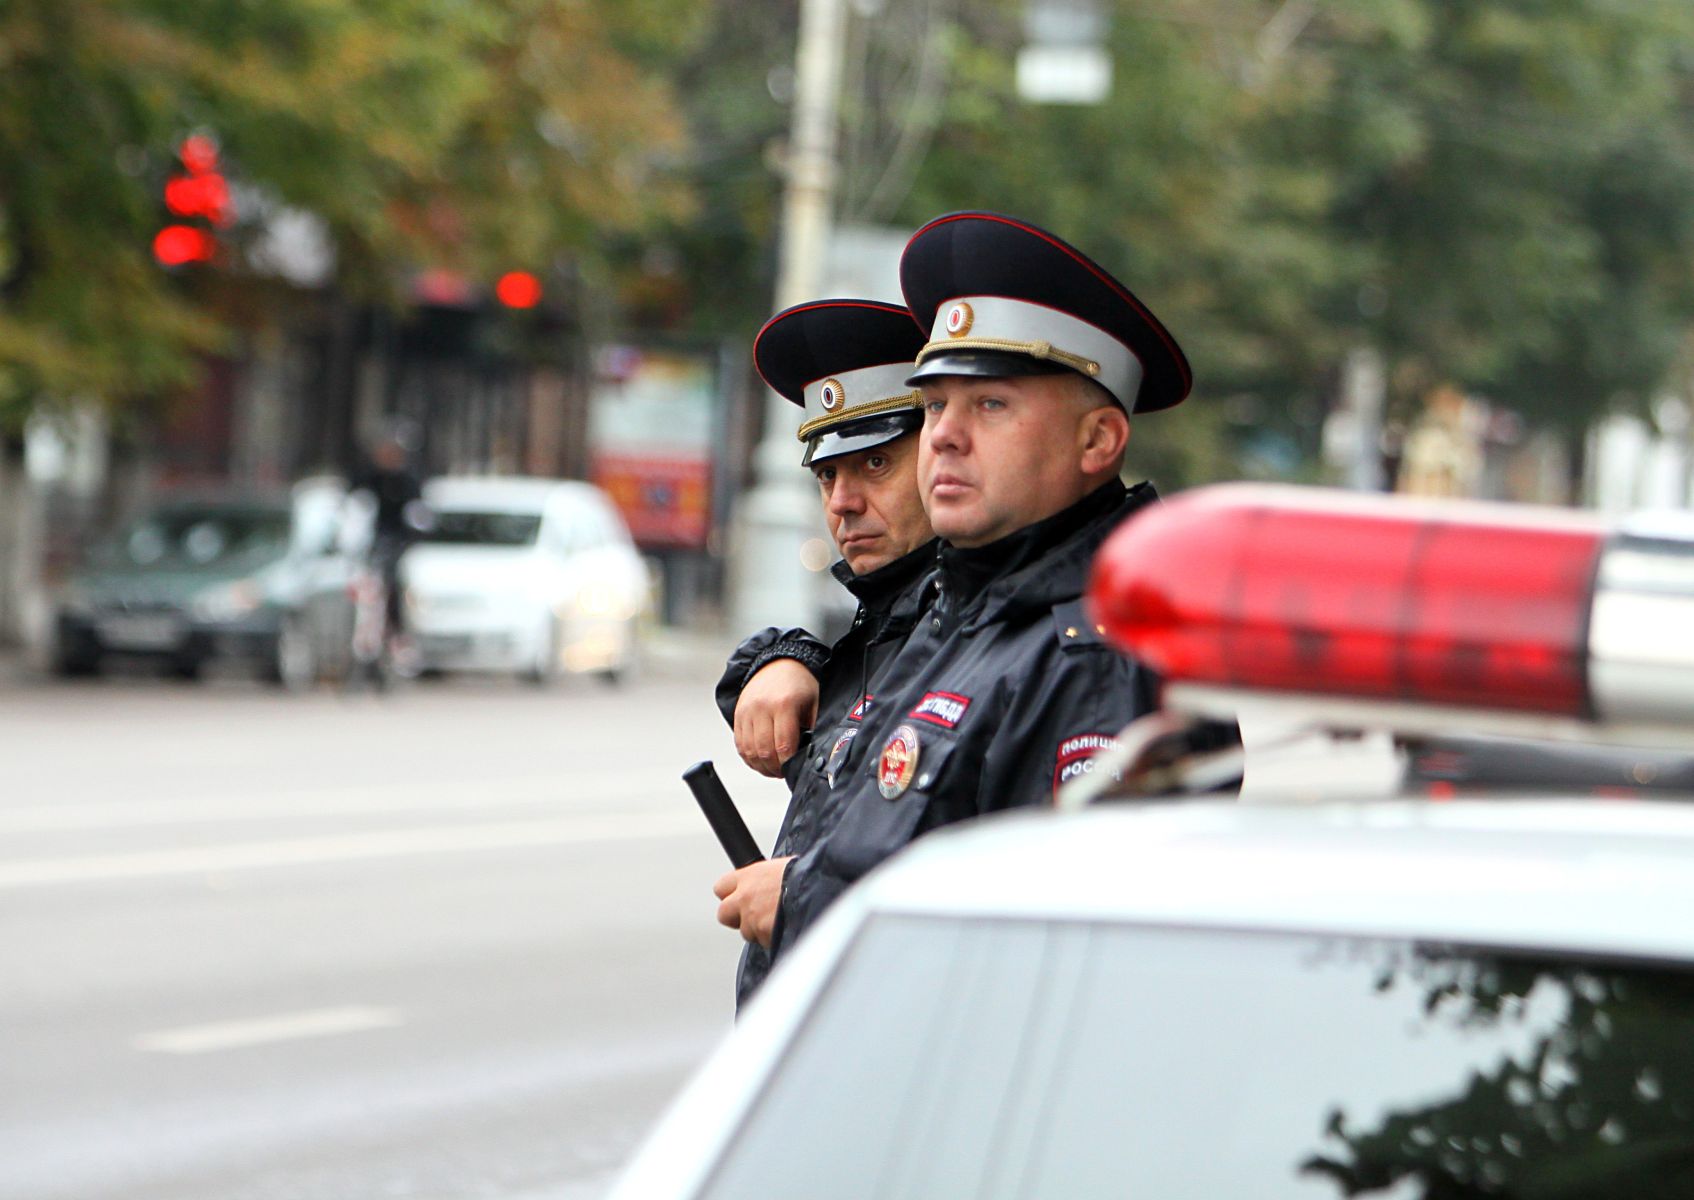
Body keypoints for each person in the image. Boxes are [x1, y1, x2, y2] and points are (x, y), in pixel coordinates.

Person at [741, 210, 1237, 963]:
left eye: (990, 404)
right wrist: (784, 657)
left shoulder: (1105, 649)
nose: (943, 434)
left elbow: (1072, 948)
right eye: (936, 403)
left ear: (1098, 441)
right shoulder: (969, 605)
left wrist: (809, 901)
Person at [710, 298, 935, 1008]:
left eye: (875, 462)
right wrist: (784, 656)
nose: (842, 501)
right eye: (827, 475)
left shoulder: (979, 628)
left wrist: (808, 897)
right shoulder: (888, 623)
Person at [348, 423, 429, 643]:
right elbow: (354, 507)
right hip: (368, 543)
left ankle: (397, 631)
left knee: (395, 585)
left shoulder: (408, 482)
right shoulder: (368, 478)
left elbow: (418, 515)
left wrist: (412, 535)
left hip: (397, 543)